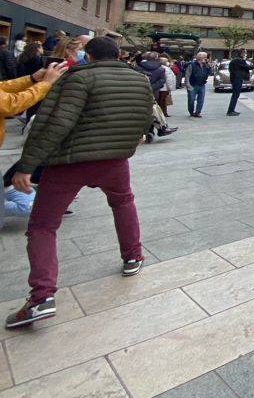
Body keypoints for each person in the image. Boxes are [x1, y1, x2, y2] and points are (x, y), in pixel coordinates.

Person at [5, 36, 151, 329]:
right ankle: (133, 256)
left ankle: (42, 296)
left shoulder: (78, 78)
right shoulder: (139, 79)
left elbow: (56, 123)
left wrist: (27, 165)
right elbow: (143, 116)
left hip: (70, 162)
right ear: (118, 54)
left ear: (90, 56)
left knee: (43, 225)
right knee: (123, 202)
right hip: (114, 160)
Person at [184, 52, 212, 118]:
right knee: (191, 99)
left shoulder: (206, 65)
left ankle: (198, 112)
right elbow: (187, 75)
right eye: (205, 57)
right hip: (192, 84)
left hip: (202, 84)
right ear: (200, 57)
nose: (206, 58)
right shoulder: (192, 65)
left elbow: (210, 73)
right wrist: (188, 84)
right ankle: (191, 112)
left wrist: (209, 66)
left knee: (201, 99)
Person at [226, 49, 250, 116]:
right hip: (237, 79)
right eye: (245, 53)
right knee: (235, 95)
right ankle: (230, 111)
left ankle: (232, 110)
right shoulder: (239, 60)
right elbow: (248, 67)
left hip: (235, 78)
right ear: (242, 53)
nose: (246, 54)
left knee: (235, 95)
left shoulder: (235, 60)